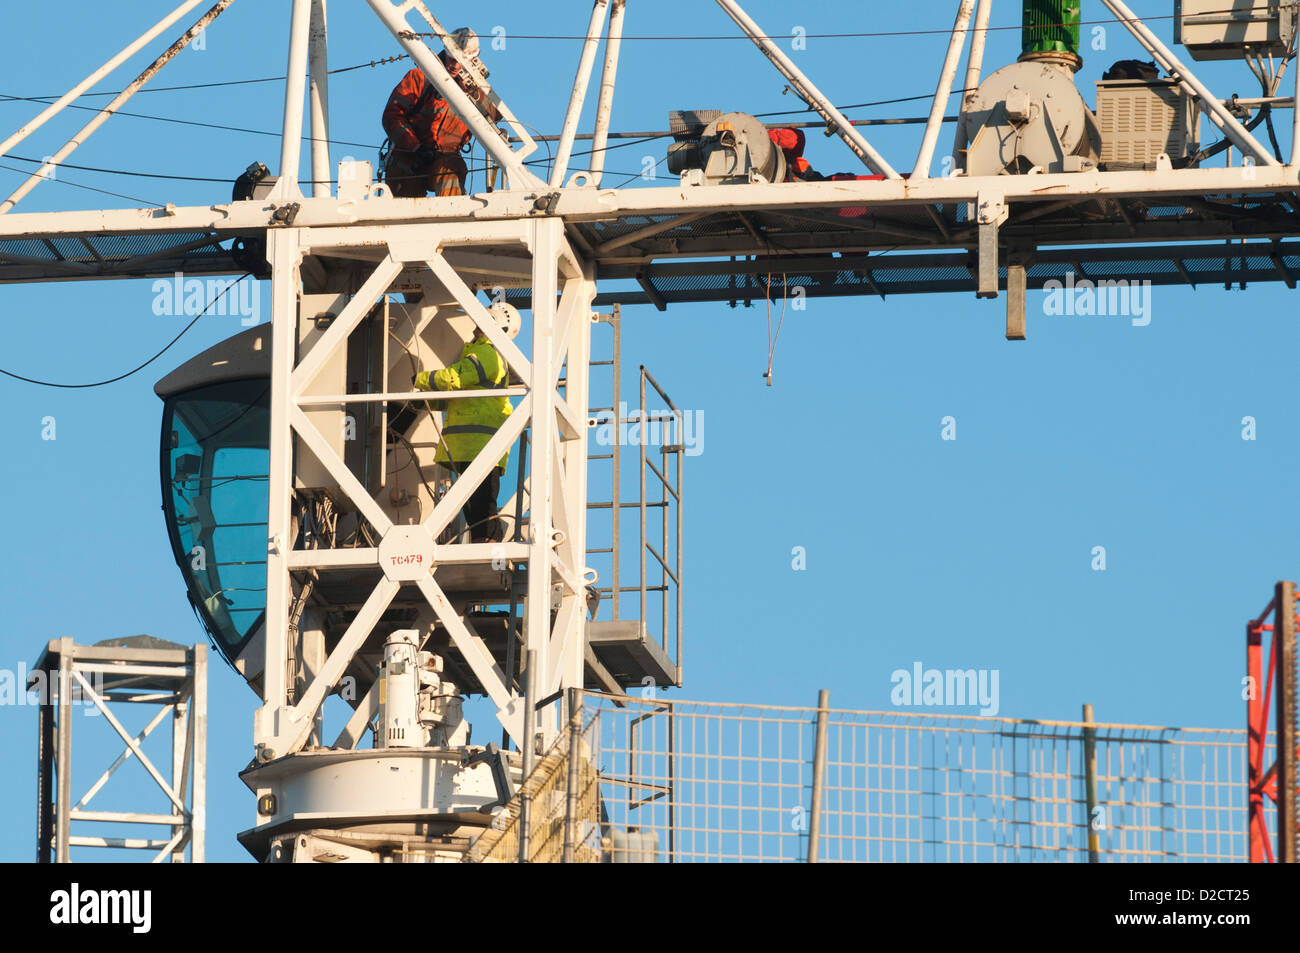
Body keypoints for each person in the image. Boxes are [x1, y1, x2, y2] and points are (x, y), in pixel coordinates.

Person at [414, 303, 521, 543]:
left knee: (482, 501)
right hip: (472, 445)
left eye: (482, 322)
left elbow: (454, 378)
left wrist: (419, 379)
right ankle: (483, 540)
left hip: (478, 445)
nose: (475, 327)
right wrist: (422, 403)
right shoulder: (485, 355)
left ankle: (488, 542)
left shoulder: (487, 354)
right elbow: (460, 398)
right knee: (475, 502)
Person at [381, 27, 500, 198]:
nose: (455, 65)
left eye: (461, 62)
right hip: (408, 157)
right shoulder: (420, 78)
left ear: (473, 61)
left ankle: (452, 218)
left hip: (447, 156)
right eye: (452, 59)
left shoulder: (474, 91)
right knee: (405, 209)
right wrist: (415, 147)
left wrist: (474, 90)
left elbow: (495, 116)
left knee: (449, 176)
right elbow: (392, 116)